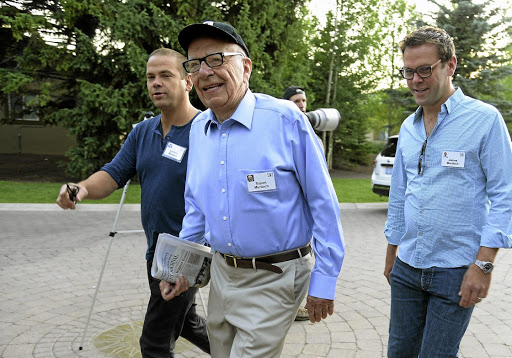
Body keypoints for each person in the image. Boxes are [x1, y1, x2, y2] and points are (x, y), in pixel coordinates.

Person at [159, 21, 345, 357]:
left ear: (245, 67)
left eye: (216, 60)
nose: (204, 72)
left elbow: (323, 203)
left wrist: (325, 280)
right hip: (222, 273)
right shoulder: (199, 128)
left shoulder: (285, 120)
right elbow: (197, 208)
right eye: (195, 64)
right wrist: (180, 269)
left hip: (276, 275)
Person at [56, 48, 210, 358]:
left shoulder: (207, 130)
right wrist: (82, 188)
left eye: (166, 75)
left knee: (154, 344)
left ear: (187, 81)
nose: (156, 83)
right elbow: (112, 174)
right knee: (188, 322)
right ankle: (242, 352)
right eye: (150, 77)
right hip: (156, 252)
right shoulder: (143, 132)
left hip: (186, 255)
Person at [384, 25, 512, 358]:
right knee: (398, 354)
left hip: (456, 271)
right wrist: (391, 257)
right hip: (408, 268)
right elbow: (399, 196)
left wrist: (483, 266)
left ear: (450, 65)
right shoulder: (407, 128)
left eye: (425, 69)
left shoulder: (484, 120)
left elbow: (505, 195)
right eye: (409, 72)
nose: (416, 80)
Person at [283, 85, 312, 322]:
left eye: (303, 101)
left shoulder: (310, 129)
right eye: (296, 101)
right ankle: (291, 307)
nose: (301, 105)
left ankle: (296, 304)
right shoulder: (280, 132)